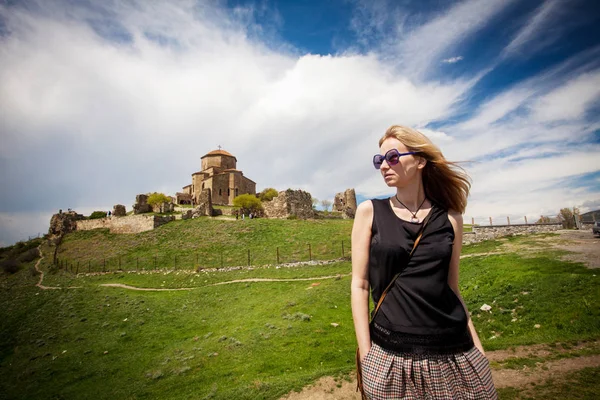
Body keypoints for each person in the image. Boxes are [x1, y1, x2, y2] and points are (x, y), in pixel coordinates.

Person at [351, 125, 497, 399]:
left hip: (456, 354)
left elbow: (452, 287)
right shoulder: (369, 212)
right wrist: (367, 357)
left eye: (392, 157)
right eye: (379, 160)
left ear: (420, 160)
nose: (384, 165)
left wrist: (478, 348)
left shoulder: (451, 218)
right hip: (391, 357)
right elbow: (359, 285)